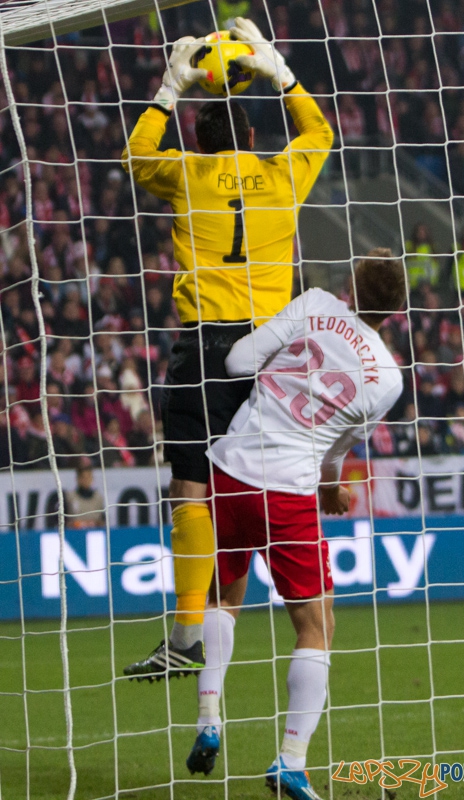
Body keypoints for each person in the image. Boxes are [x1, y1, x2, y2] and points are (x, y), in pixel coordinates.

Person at [122, 18, 333, 678]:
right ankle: (303, 612)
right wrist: (280, 72)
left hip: (206, 351)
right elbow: (320, 134)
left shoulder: (185, 174)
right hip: (273, 356)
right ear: (248, 137)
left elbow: (134, 157)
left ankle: (188, 631)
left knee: (191, 486)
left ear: (200, 141)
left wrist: (168, 87)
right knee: (268, 483)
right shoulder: (282, 174)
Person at [186, 248, 406, 800]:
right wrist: (332, 485)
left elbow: (237, 363)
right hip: (289, 492)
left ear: (351, 286)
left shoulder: (314, 303)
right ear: (399, 310)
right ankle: (291, 760)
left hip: (231, 469)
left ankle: (209, 718)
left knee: (221, 600)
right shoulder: (387, 378)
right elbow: (337, 448)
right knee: (317, 626)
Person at [64, 464, 105, 528]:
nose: (86, 480)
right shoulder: (70, 497)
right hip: (75, 533)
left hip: (94, 533)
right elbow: (65, 521)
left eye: (89, 477)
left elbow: (103, 521)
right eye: (83, 477)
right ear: (78, 479)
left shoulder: (98, 498)